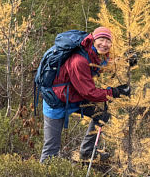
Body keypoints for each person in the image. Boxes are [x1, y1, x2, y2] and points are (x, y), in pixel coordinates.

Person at [40, 26, 131, 163]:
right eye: (101, 39)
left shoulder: (95, 53)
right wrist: (114, 92)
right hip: (56, 101)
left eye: (108, 41)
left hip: (75, 97)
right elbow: (89, 93)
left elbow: (106, 63)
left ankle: (87, 152)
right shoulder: (79, 61)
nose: (104, 44)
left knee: (102, 114)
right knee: (51, 149)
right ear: (93, 39)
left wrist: (126, 61)